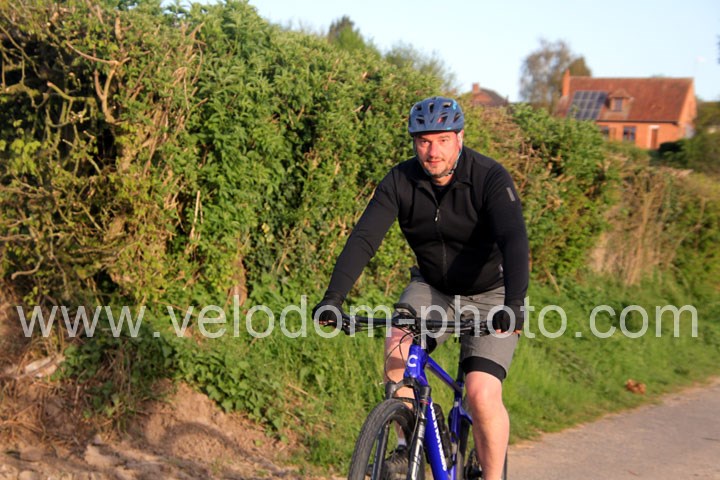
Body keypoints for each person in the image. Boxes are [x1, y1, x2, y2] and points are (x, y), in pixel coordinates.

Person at [313, 96, 528, 480]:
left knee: (480, 393)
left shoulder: (489, 177)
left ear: (460, 138)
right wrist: (334, 298)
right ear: (414, 142)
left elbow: (514, 239)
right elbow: (364, 238)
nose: (433, 151)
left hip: (491, 294)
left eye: (443, 140)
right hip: (433, 287)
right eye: (424, 141)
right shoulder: (401, 180)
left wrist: (513, 304)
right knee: (398, 347)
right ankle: (404, 445)